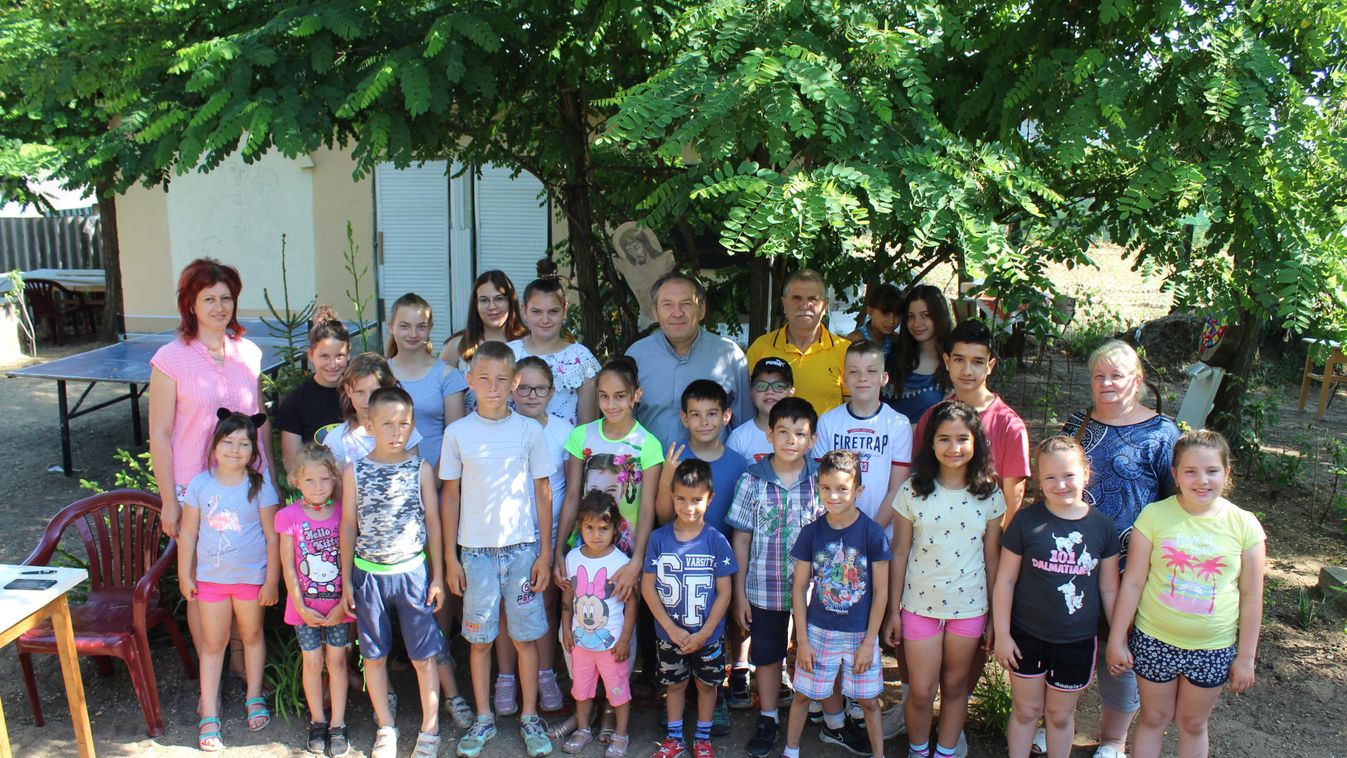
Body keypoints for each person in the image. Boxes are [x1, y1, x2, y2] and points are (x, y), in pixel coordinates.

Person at [149, 258, 274, 682]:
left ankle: (240, 665)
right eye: (209, 299)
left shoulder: (248, 353)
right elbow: (160, 433)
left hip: (247, 488)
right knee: (204, 586)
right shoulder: (171, 359)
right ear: (191, 304)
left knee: (242, 577)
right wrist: (169, 499)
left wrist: (271, 478)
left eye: (226, 298)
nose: (219, 307)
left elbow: (259, 418)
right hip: (196, 490)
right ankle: (211, 677)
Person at [1106, 431, 1265, 758]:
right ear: (1175, 475)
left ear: (1227, 473)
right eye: (1190, 471)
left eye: (1212, 471)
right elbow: (1133, 582)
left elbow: (1251, 597)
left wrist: (1246, 657)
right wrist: (1117, 638)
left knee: (1192, 723)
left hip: (1212, 648)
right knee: (1153, 717)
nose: (1202, 480)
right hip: (1154, 640)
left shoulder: (1244, 525)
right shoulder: (1154, 516)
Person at [1062, 339, 1181, 758]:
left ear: (1138, 379)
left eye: (1117, 375)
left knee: (1121, 644)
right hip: (1073, 558)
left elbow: (1175, 500)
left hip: (1133, 567)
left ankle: (1114, 738)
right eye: (1099, 376)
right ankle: (1058, 723)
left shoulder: (1162, 432)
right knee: (1068, 642)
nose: (1107, 383)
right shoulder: (1077, 423)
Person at [440, 341, 557, 758]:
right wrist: (450, 557)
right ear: (470, 381)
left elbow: (543, 492)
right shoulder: (457, 433)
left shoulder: (529, 431)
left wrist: (544, 553)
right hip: (475, 555)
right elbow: (449, 496)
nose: (493, 387)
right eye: (484, 379)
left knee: (525, 638)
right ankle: (484, 717)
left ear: (515, 382)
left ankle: (529, 715)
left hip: (523, 550)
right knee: (480, 640)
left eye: (502, 379)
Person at [886, 400, 1005, 758]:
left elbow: (992, 558)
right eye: (944, 439)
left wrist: (995, 617)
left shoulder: (990, 494)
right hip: (919, 607)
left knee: (955, 686)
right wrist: (893, 611)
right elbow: (899, 552)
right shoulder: (912, 490)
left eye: (962, 439)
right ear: (931, 444)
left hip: (969, 608)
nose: (954, 448)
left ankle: (946, 752)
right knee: (921, 691)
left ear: (976, 442)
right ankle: (918, 750)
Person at [993, 436, 1120, 758]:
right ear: (1039, 480)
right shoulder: (1026, 522)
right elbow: (1005, 580)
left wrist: (1118, 637)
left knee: (1060, 716)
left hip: (1076, 641)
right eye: (1050, 477)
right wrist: (1003, 635)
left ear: (1086, 474)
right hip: (1026, 636)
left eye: (1068, 475)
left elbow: (1108, 588)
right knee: (1026, 710)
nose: (1060, 484)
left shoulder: (1102, 527)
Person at [339, 387, 447, 758]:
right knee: (373, 656)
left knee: (423, 656)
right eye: (386, 423)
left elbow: (433, 523)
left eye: (404, 423)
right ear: (369, 425)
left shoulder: (421, 469)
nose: (396, 431)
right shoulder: (354, 471)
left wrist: (437, 576)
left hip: (412, 574)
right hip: (368, 576)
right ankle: (386, 726)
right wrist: (346, 580)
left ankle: (430, 729)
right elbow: (348, 526)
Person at [725, 397, 825, 758]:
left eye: (799, 433)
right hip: (762, 586)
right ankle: (768, 717)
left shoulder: (820, 480)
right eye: (782, 431)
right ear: (769, 435)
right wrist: (739, 594)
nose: (790, 440)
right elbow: (741, 539)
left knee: (813, 650)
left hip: (812, 590)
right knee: (767, 653)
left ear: (812, 439)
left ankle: (820, 710)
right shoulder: (752, 479)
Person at [177, 410, 280, 751]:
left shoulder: (260, 486)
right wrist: (185, 573)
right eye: (228, 442)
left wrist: (271, 580)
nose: (235, 450)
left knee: (252, 636)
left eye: (244, 444)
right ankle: (209, 711)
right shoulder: (200, 485)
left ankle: (254, 696)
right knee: (213, 644)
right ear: (215, 446)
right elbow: (188, 533)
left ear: (254, 451)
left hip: (250, 580)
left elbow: (272, 537)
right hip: (211, 581)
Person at [781, 450, 891, 758]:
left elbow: (881, 592)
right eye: (826, 488)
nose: (833, 496)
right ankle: (791, 750)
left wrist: (869, 642)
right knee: (803, 695)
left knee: (868, 701)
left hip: (860, 633)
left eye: (842, 488)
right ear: (818, 487)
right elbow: (799, 587)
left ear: (859, 490)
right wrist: (802, 641)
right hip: (819, 631)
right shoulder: (811, 532)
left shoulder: (872, 533)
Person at [654, 380, 750, 733]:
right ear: (684, 418)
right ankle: (674, 698)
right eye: (696, 414)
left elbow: (741, 524)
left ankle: (715, 697)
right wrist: (667, 473)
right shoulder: (675, 456)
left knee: (714, 632)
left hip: (719, 564)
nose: (704, 421)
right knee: (674, 632)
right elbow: (662, 515)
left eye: (712, 414)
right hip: (678, 564)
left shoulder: (737, 463)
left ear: (726, 416)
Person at [643, 460, 739, 758]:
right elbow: (648, 587)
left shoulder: (717, 541)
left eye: (697, 499)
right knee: (675, 686)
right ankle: (674, 738)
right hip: (669, 634)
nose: (688, 507)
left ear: (710, 498)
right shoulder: (658, 539)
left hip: (707, 637)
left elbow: (725, 592)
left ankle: (702, 739)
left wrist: (706, 632)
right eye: (681, 498)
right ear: (672, 496)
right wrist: (670, 628)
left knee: (707, 687)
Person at [500, 356, 573, 716]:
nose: (531, 395)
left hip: (549, 534)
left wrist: (556, 547)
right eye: (524, 387)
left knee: (544, 605)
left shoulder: (563, 431)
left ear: (552, 392)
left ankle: (545, 675)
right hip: (507, 537)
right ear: (513, 389)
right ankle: (506, 678)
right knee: (506, 609)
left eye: (539, 388)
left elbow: (570, 489)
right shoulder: (502, 428)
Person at [276, 444, 357, 756]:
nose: (318, 486)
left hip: (338, 607)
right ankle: (317, 721)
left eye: (324, 479)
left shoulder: (343, 513)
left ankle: (338, 723)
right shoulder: (289, 517)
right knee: (312, 662)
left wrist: (342, 604)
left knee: (337, 662)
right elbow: (288, 566)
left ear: (334, 479)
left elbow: (350, 560)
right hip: (304, 610)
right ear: (297, 481)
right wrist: (300, 607)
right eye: (309, 480)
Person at [914, 319, 1029, 523]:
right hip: (934, 532)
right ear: (947, 361)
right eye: (959, 360)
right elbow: (919, 476)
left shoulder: (1009, 425)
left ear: (990, 366)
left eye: (977, 362)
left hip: (986, 535)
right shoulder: (931, 417)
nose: (967, 371)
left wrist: (999, 541)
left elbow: (1014, 498)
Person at [625, 272, 752, 448]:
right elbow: (623, 421)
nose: (677, 313)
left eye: (686, 304)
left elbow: (745, 427)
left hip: (712, 464)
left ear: (702, 309)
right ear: (655, 312)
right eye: (667, 305)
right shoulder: (637, 356)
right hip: (651, 464)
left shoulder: (730, 355)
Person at [560, 491, 636, 758]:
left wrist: (625, 639)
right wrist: (566, 629)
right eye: (589, 527)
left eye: (603, 528)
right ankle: (583, 730)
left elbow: (632, 604)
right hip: (581, 643)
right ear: (580, 527)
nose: (596, 535)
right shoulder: (573, 558)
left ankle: (621, 734)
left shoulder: (621, 562)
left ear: (615, 529)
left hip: (612, 645)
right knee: (581, 690)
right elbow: (567, 598)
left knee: (618, 691)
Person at [813, 340, 913, 526]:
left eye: (871, 371)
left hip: (882, 531)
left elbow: (898, 487)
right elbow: (820, 484)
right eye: (854, 371)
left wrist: (872, 533)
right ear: (843, 378)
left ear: (884, 378)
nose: (862, 378)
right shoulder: (827, 422)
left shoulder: (898, 424)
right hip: (835, 529)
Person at [745, 269, 850, 414]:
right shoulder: (761, 347)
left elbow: (852, 410)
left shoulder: (845, 351)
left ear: (825, 306)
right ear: (784, 303)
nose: (804, 305)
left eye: (813, 299)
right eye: (797, 298)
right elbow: (748, 406)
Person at [509, 259, 601, 426]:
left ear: (565, 310)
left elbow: (587, 426)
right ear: (524, 310)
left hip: (566, 443)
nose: (545, 320)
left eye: (553, 311)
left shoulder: (580, 357)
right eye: (536, 312)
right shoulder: (510, 354)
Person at [386, 292, 468, 468]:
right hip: (388, 478)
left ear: (430, 328)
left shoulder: (448, 376)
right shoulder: (380, 374)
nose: (413, 334)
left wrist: (435, 479)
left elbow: (455, 440)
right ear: (390, 326)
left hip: (438, 475)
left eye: (421, 327)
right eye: (404, 326)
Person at [276, 305, 351, 473]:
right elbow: (292, 466)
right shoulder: (295, 403)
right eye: (324, 356)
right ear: (311, 354)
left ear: (348, 354)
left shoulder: (358, 396)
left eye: (339, 356)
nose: (332, 365)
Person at [441, 270, 529, 413]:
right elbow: (439, 394)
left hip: (521, 426)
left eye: (499, 298)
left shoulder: (528, 342)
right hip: (470, 426)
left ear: (510, 301)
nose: (492, 306)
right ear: (476, 304)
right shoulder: (456, 346)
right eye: (484, 300)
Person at [324, 353, 423, 467]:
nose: (367, 400)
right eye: (360, 392)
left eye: (375, 392)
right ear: (348, 390)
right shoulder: (336, 439)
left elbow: (414, 473)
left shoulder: (403, 430)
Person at [885, 285, 953, 425]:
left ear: (939, 316)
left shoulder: (955, 362)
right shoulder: (892, 355)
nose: (916, 323)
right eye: (911, 316)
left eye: (925, 315)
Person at [727, 357, 796, 465]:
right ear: (751, 392)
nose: (770, 391)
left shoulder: (802, 434)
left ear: (791, 392)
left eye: (779, 386)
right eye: (762, 385)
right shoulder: (739, 437)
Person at [846, 283, 902, 360]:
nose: (891, 321)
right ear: (870, 311)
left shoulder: (894, 339)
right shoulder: (855, 340)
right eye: (885, 314)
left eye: (897, 315)